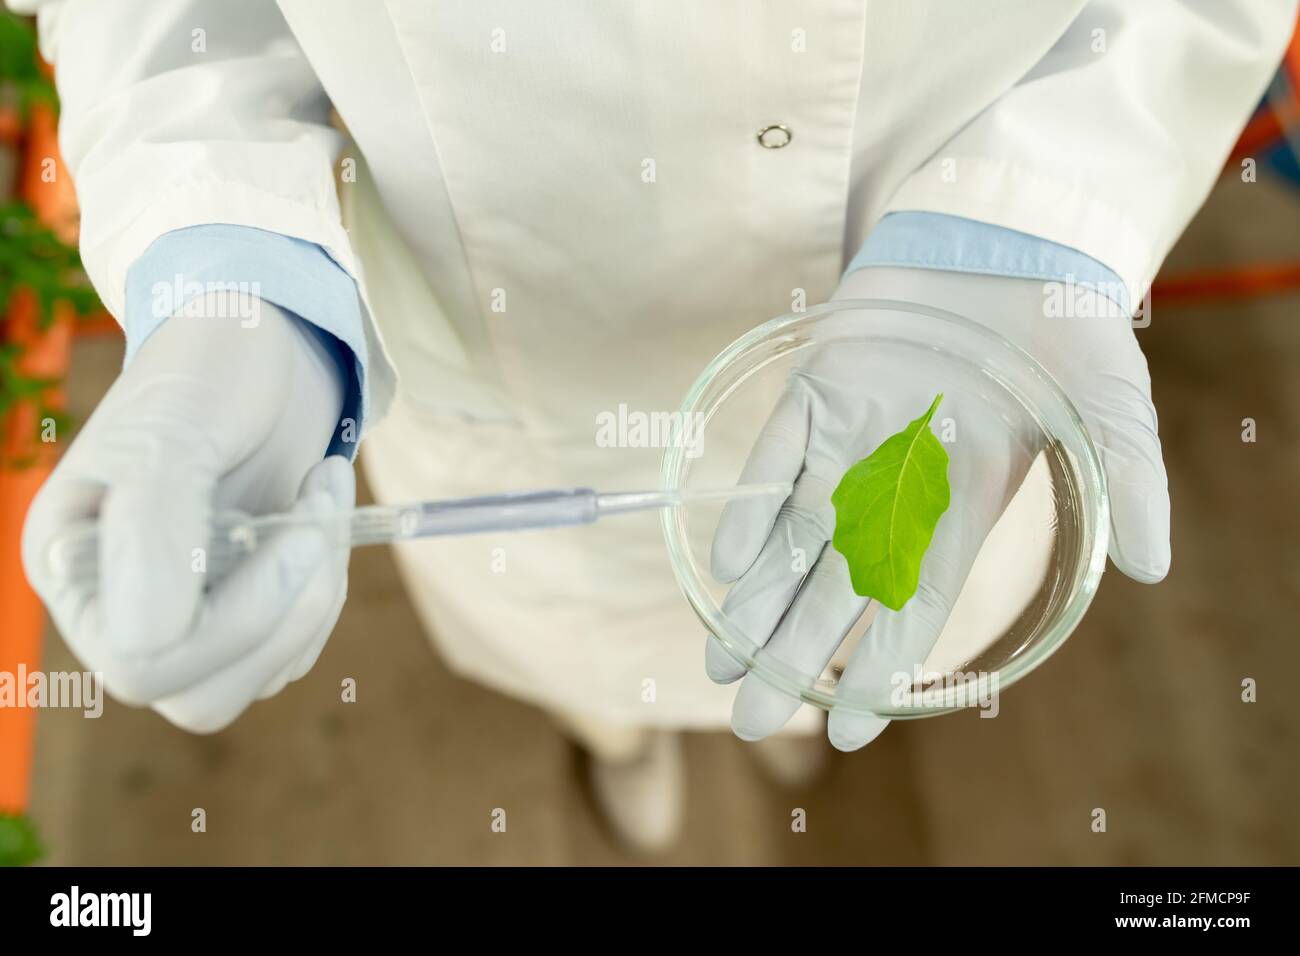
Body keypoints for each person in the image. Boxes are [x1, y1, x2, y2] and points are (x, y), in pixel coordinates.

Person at [14, 0, 1295, 852]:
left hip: (943, 345)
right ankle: (614, 731)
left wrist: (1030, 214)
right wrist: (239, 282)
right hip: (509, 360)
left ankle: (784, 728)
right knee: (575, 640)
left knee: (842, 626)